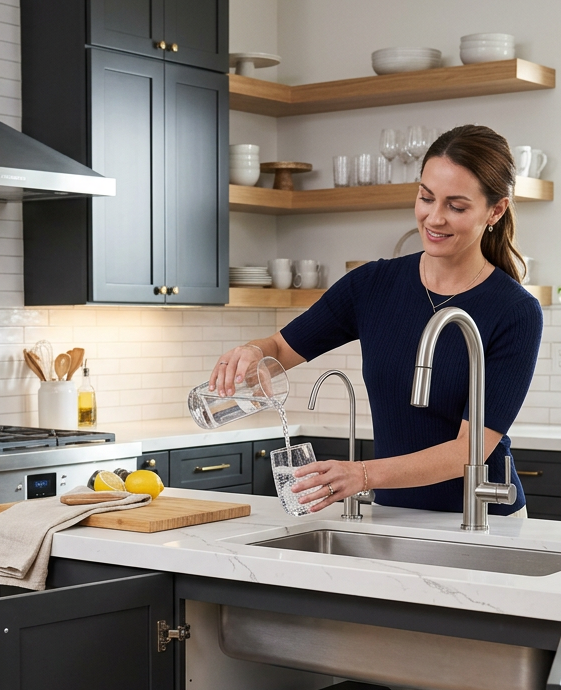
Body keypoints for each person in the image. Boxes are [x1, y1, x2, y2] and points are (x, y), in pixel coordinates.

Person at [209, 124, 542, 515]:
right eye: (425, 197)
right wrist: (252, 353)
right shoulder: (373, 285)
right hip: (393, 513)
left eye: (456, 206)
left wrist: (362, 474)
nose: (433, 218)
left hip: (483, 519)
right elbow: (281, 348)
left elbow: (467, 451)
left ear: (495, 210)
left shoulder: (515, 311)